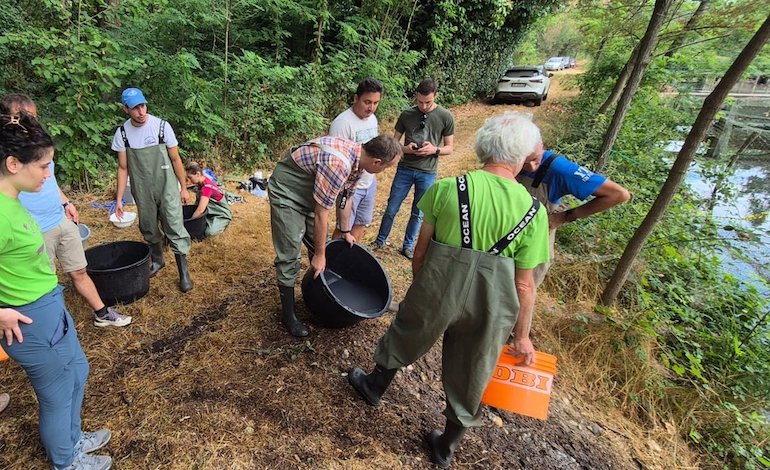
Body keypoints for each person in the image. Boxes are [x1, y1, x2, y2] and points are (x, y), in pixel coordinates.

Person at [348, 112, 550, 469]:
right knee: (475, 365)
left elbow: (421, 251)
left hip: (439, 284)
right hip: (494, 301)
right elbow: (525, 284)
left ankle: (374, 386)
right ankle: (446, 445)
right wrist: (522, 336)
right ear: (521, 156)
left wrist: (421, 289)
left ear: (483, 147)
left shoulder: (447, 189)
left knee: (407, 331)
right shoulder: (534, 212)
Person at [0, 112, 112, 470]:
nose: (49, 175)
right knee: (58, 393)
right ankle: (66, 461)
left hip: (49, 304)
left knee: (78, 370)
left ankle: (72, 438)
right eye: (43, 166)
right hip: (28, 318)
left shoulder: (14, 200)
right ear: (13, 164)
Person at [2, 94, 132, 328]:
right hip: (34, 230)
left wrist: (66, 203)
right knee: (46, 285)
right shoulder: (8, 164)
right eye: (24, 118)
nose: (32, 123)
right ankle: (55, 326)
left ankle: (102, 313)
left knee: (79, 270)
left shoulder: (39, 149)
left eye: (34, 117)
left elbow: (50, 180)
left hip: (59, 219)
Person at [269, 135, 402, 337]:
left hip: (309, 195)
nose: (384, 172)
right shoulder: (338, 164)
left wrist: (345, 230)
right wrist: (319, 254)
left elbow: (346, 197)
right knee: (290, 252)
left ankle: (324, 291)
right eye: (386, 167)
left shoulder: (359, 161)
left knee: (324, 245)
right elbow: (322, 213)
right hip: (287, 192)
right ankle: (288, 315)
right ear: (376, 162)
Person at [112, 88, 193, 293]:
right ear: (126, 109)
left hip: (166, 186)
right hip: (142, 188)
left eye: (143, 106)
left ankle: (183, 271)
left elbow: (176, 159)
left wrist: (184, 188)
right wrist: (119, 199)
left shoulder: (162, 127)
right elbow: (123, 168)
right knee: (148, 225)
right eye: (135, 108)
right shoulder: (122, 133)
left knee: (174, 223)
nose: (141, 112)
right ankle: (158, 260)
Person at [516, 146, 630, 286]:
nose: (530, 167)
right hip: (501, 240)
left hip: (533, 246)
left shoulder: (559, 168)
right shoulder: (502, 154)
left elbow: (618, 194)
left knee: (521, 290)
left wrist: (563, 217)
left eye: (532, 161)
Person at [372, 78, 455, 259]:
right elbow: (393, 143)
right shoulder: (407, 114)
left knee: (418, 213)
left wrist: (434, 150)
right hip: (405, 168)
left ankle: (408, 246)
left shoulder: (446, 116)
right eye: (420, 102)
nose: (423, 106)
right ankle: (379, 240)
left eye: (428, 102)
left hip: (427, 172)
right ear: (416, 96)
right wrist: (405, 149)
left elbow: (450, 148)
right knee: (392, 207)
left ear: (436, 96)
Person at [328, 78, 383, 241]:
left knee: (361, 223)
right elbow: (336, 161)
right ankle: (333, 257)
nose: (371, 108)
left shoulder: (372, 119)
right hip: (350, 186)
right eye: (367, 102)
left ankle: (352, 256)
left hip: (369, 182)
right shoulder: (342, 124)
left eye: (375, 103)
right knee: (343, 228)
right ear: (355, 98)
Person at [185, 162, 232, 237]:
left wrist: (190, 223)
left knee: (209, 233)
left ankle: (223, 223)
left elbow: (200, 210)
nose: (189, 181)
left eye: (190, 178)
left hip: (220, 214)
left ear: (198, 174)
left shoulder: (207, 188)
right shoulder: (201, 183)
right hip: (210, 212)